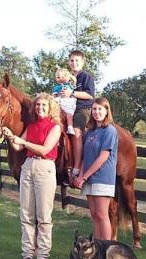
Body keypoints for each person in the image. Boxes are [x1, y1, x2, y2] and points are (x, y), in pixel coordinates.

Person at [2, 93, 62, 259]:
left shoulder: (55, 127)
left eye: (44, 105)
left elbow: (45, 149)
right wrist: (11, 136)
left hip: (45, 168)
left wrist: (23, 141)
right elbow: (19, 146)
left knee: (43, 215)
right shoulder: (32, 125)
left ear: (50, 108)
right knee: (26, 214)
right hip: (28, 166)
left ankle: (43, 255)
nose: (40, 108)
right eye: (38, 105)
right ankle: (28, 254)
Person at [74, 97, 117, 240]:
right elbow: (84, 157)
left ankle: (106, 250)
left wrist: (84, 176)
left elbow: (103, 157)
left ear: (106, 111)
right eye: (94, 109)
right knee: (94, 214)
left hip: (102, 177)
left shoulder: (109, 130)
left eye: (100, 109)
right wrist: (80, 175)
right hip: (88, 179)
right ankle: (96, 249)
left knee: (102, 214)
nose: (96, 112)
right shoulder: (90, 131)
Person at [59, 50, 95, 184]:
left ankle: (76, 167)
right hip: (67, 108)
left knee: (76, 131)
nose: (74, 63)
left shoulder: (85, 76)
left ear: (82, 62)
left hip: (82, 108)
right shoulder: (66, 77)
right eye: (72, 61)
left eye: (77, 61)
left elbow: (90, 95)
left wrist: (72, 93)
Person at [52, 67, 77, 135]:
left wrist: (69, 75)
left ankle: (70, 127)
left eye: (63, 76)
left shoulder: (69, 85)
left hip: (68, 102)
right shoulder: (56, 87)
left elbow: (74, 80)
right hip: (59, 102)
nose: (61, 78)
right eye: (58, 77)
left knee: (69, 115)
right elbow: (54, 96)